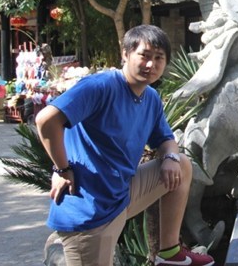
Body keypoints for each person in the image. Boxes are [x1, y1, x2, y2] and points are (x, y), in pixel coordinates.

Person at [35, 25, 215, 266]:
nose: (151, 64)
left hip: (121, 193)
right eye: (145, 56)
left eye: (158, 58)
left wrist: (170, 158)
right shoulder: (99, 86)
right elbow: (46, 120)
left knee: (181, 164)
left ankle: (170, 253)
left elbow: (166, 140)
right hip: (89, 210)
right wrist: (61, 168)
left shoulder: (150, 98)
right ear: (125, 54)